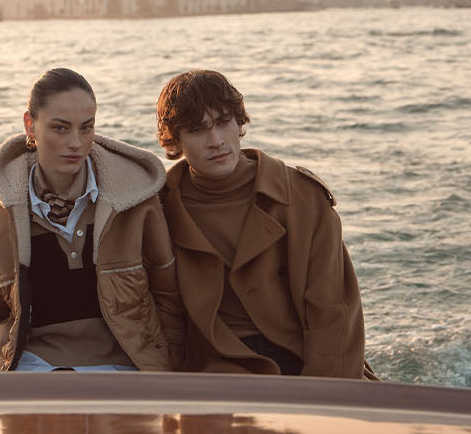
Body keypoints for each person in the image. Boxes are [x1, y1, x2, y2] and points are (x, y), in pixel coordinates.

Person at [0, 68, 184, 372]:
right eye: (60, 128)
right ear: (30, 126)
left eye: (86, 128)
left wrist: (164, 371)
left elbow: (169, 298)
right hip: (30, 373)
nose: (75, 142)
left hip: (125, 372)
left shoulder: (136, 205)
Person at [156, 69, 373, 378]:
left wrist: (323, 398)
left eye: (223, 122)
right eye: (197, 130)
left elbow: (333, 310)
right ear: (175, 139)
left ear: (239, 123)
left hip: (304, 362)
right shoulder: (159, 209)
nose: (215, 141)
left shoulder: (301, 197)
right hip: (212, 370)